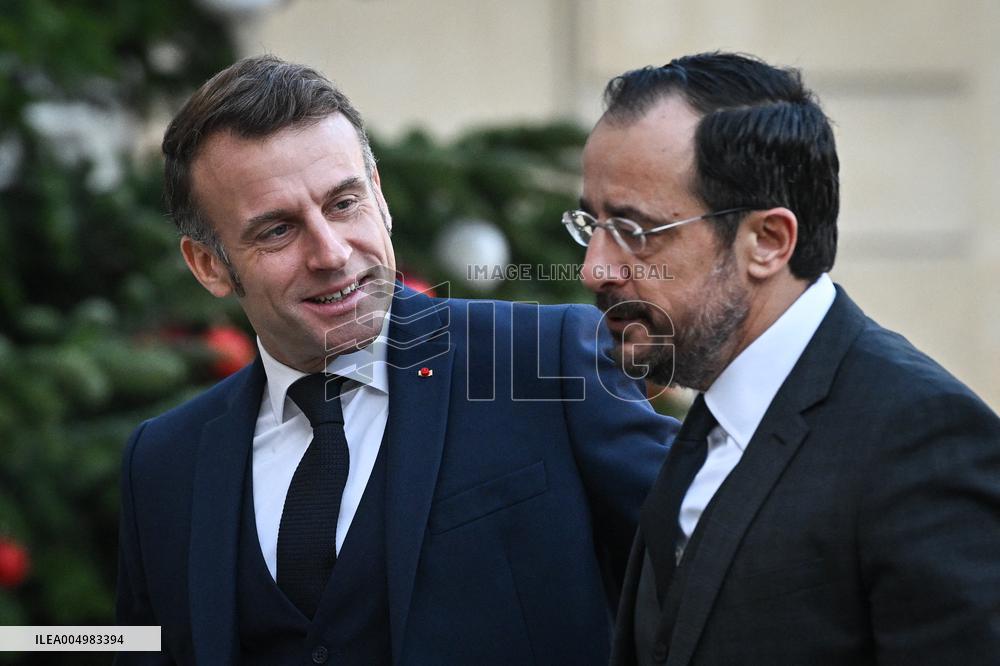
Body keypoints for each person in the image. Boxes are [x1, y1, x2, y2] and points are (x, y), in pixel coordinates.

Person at [114, 55, 677, 665]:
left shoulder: (546, 361)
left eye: (343, 203)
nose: (330, 253)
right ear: (208, 265)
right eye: (277, 230)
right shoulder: (164, 462)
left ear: (380, 198)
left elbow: (714, 565)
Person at [566, 51, 1000, 665]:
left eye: (634, 231)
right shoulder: (713, 417)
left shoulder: (921, 437)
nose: (595, 268)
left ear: (768, 242)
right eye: (590, 224)